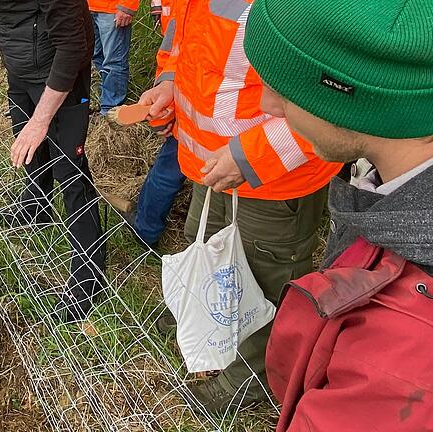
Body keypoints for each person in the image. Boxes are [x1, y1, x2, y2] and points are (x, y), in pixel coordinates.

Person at [138, 0, 342, 413]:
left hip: (274, 178)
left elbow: (333, 99)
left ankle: (250, 379)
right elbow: (182, 40)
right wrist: (169, 84)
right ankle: (198, 320)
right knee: (207, 253)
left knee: (265, 286)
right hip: (210, 167)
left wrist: (250, 158)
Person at [244, 0, 433, 429]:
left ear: (359, 99)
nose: (268, 105)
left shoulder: (397, 367)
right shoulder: (389, 188)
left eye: (286, 89)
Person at [0, 0, 106, 322]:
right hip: (20, 66)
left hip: (59, 74)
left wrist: (41, 121)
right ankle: (36, 208)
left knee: (69, 171)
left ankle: (89, 276)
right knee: (30, 148)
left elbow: (73, 47)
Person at [123, 0, 186, 249]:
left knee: (168, 170)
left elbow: (172, 54)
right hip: (215, 115)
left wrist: (165, 112)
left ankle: (145, 230)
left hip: (202, 118)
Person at [87, 0, 139, 115]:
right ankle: (107, 96)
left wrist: (127, 6)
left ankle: (111, 110)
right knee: (97, 56)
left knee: (114, 62)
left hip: (113, 9)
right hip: (87, 7)